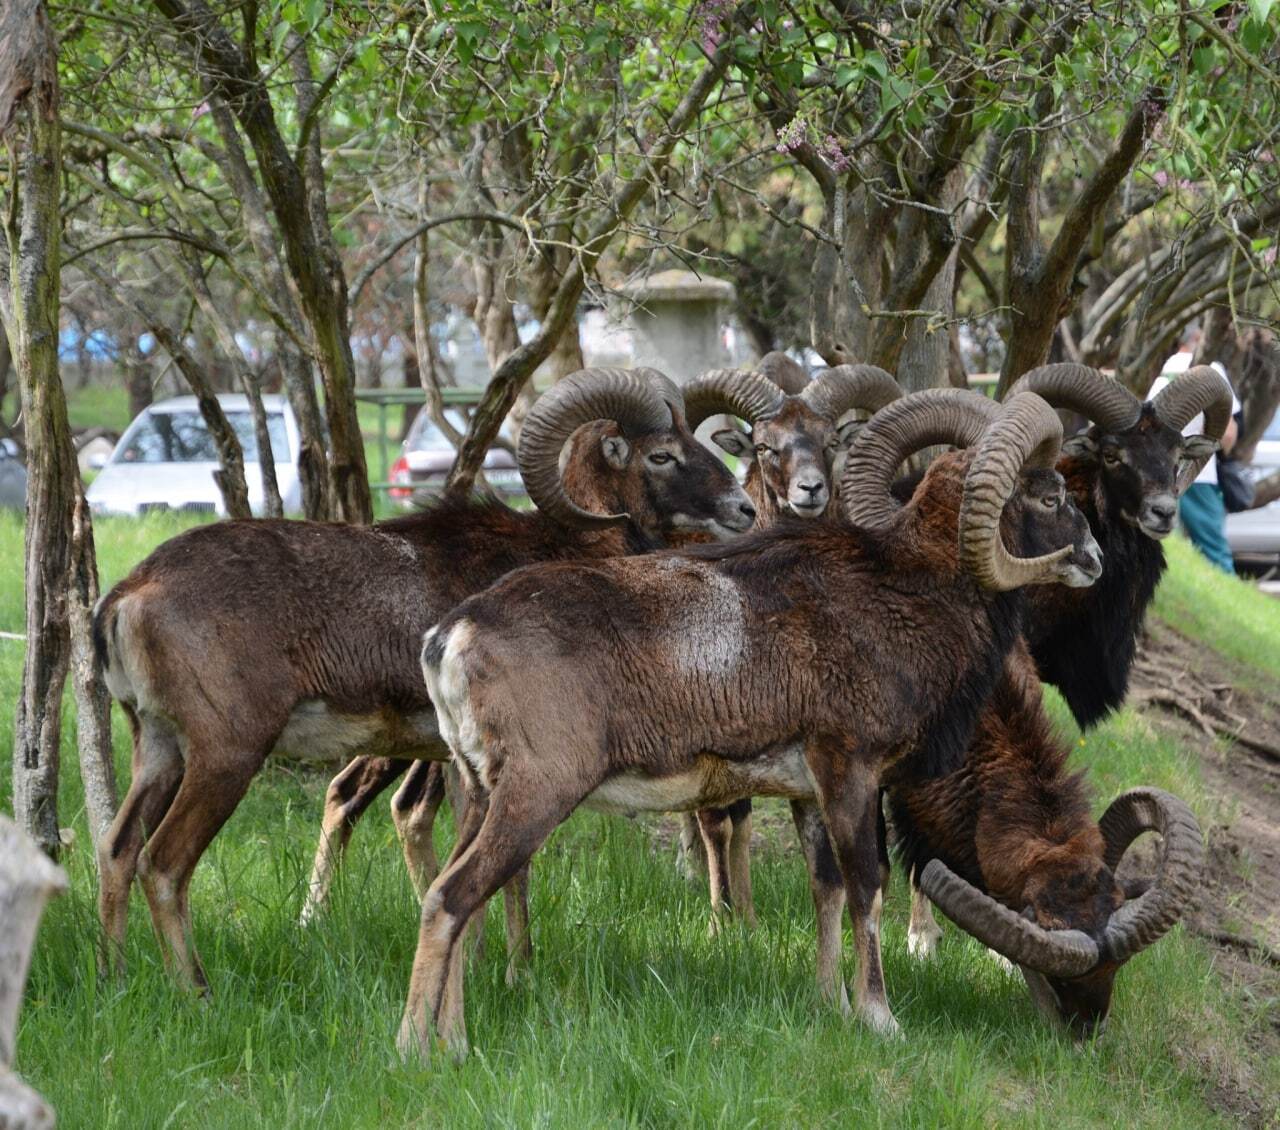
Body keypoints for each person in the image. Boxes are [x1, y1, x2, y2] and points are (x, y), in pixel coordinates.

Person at [1150, 335, 1240, 573]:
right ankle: (1227, 594)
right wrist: (1225, 456)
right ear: (1201, 336)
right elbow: (1228, 433)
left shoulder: (1161, 367)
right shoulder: (1210, 368)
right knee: (1214, 549)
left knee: (1170, 547)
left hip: (1157, 474)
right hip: (1198, 473)